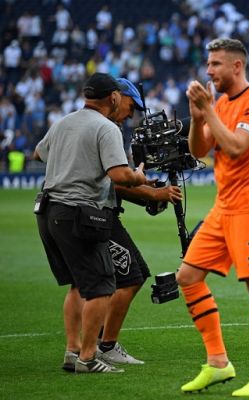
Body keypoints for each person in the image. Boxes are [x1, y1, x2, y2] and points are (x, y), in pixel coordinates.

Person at [176, 38, 249, 396]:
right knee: (188, 276)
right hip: (224, 207)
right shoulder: (220, 102)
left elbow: (236, 147)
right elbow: (199, 150)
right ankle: (219, 363)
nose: (209, 70)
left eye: (216, 64)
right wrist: (197, 118)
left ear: (237, 66)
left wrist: (208, 111)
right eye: (208, 64)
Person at [34, 72, 147, 373]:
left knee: (77, 284)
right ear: (112, 97)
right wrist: (141, 176)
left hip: (47, 211)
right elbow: (121, 175)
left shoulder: (63, 122)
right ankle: (88, 357)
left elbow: (38, 153)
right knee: (100, 286)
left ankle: (72, 352)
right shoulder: (106, 127)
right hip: (77, 212)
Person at [96, 78, 183, 365]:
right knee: (132, 276)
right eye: (131, 107)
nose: (131, 116)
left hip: (85, 212)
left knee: (98, 283)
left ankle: (88, 346)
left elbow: (118, 185)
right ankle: (105, 345)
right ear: (115, 97)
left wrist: (149, 194)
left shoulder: (96, 126)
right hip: (95, 214)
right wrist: (155, 192)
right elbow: (117, 183)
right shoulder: (106, 129)